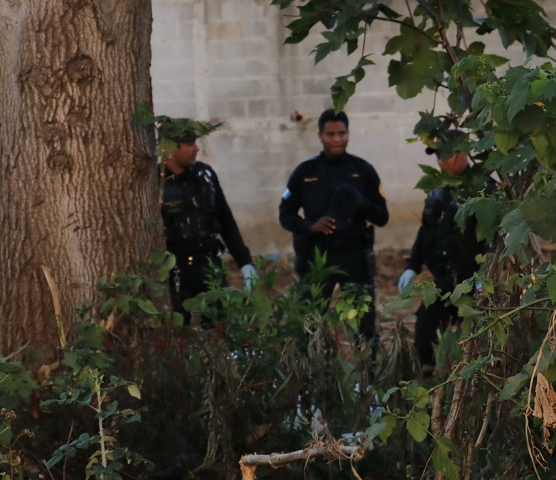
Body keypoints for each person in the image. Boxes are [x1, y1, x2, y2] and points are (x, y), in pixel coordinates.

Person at [278, 108, 389, 342]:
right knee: (309, 324)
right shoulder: (305, 172)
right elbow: (285, 215)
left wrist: (361, 203)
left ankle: (367, 364)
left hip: (355, 255)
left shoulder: (363, 170)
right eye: (330, 134)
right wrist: (310, 226)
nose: (337, 139)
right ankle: (312, 365)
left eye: (342, 133)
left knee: (364, 324)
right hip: (318, 256)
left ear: (348, 134)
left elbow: (382, 216)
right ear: (320, 136)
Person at [398, 130, 486, 374]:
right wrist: (412, 266)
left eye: (446, 155)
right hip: (442, 280)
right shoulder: (437, 189)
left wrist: (486, 274)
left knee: (473, 343)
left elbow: (495, 236)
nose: (440, 161)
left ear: (464, 153)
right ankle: (427, 379)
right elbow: (425, 231)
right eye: (437, 156)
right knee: (424, 338)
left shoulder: (482, 187)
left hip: (472, 280)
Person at [161, 128, 256, 324]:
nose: (196, 149)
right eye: (189, 144)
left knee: (220, 326)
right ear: (171, 149)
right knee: (177, 329)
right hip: (175, 269)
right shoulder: (156, 182)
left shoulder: (205, 176)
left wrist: (245, 263)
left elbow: (226, 221)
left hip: (209, 263)